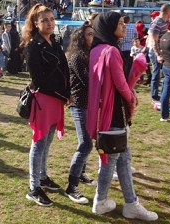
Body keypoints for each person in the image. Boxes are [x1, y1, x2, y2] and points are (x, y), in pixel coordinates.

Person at [86, 12, 157, 221]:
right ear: (109, 27)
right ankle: (100, 202)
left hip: (102, 112)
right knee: (110, 161)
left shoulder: (96, 50)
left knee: (123, 159)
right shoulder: (112, 51)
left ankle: (131, 203)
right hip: (114, 113)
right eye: (119, 24)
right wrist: (131, 97)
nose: (124, 27)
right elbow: (120, 84)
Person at [21, 4, 70, 207]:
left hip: (57, 98)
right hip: (43, 99)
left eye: (51, 19)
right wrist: (61, 93)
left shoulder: (55, 42)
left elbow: (64, 68)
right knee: (39, 142)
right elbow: (38, 78)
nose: (50, 23)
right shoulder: (33, 46)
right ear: (35, 23)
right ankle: (34, 187)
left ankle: (42, 176)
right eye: (45, 20)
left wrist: (67, 93)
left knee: (47, 141)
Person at [65, 23, 96, 205]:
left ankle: (82, 173)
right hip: (79, 104)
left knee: (86, 141)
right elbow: (87, 81)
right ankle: (71, 185)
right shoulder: (77, 56)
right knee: (85, 144)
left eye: (93, 34)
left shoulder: (89, 55)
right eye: (89, 34)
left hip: (89, 104)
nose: (93, 37)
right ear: (81, 38)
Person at [147, 4, 170, 103]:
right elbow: (154, 41)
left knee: (167, 74)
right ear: (168, 12)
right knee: (157, 73)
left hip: (165, 51)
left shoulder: (166, 22)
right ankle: (155, 97)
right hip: (156, 52)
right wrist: (158, 55)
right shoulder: (156, 23)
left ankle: (164, 96)